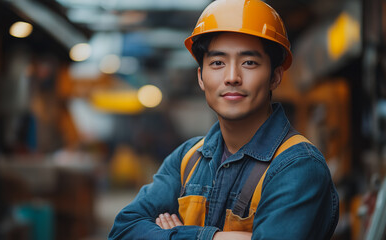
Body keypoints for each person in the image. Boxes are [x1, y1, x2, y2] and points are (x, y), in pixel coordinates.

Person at [108, 0, 339, 239]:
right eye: (218, 63)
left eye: (249, 62)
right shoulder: (188, 159)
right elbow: (123, 230)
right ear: (201, 77)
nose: (231, 77)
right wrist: (213, 237)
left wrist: (174, 233)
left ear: (275, 77)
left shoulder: (297, 166)